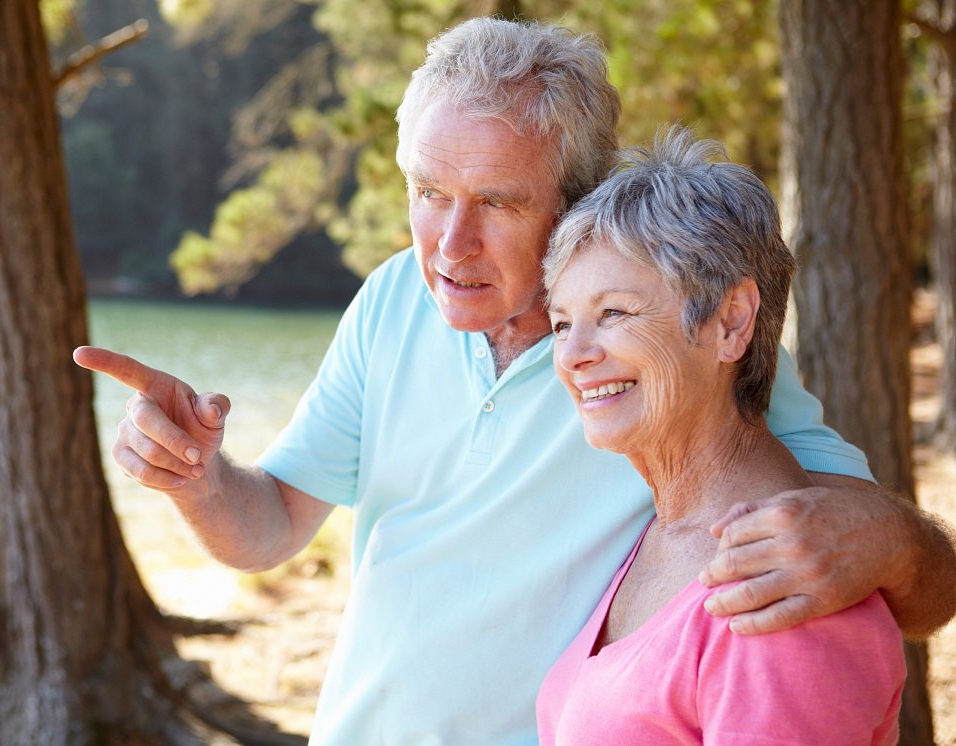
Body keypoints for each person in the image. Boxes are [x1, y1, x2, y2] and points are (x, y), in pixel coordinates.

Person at [72, 17, 956, 745]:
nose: (448, 245)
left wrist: (899, 540)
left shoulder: (671, 364)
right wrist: (196, 477)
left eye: (496, 202)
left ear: (576, 206)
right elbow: (265, 528)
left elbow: (893, 574)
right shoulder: (391, 302)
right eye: (428, 192)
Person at [536, 126, 904, 744]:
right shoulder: (665, 531)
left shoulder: (783, 597)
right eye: (561, 322)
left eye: (614, 313)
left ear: (730, 321)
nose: (572, 355)